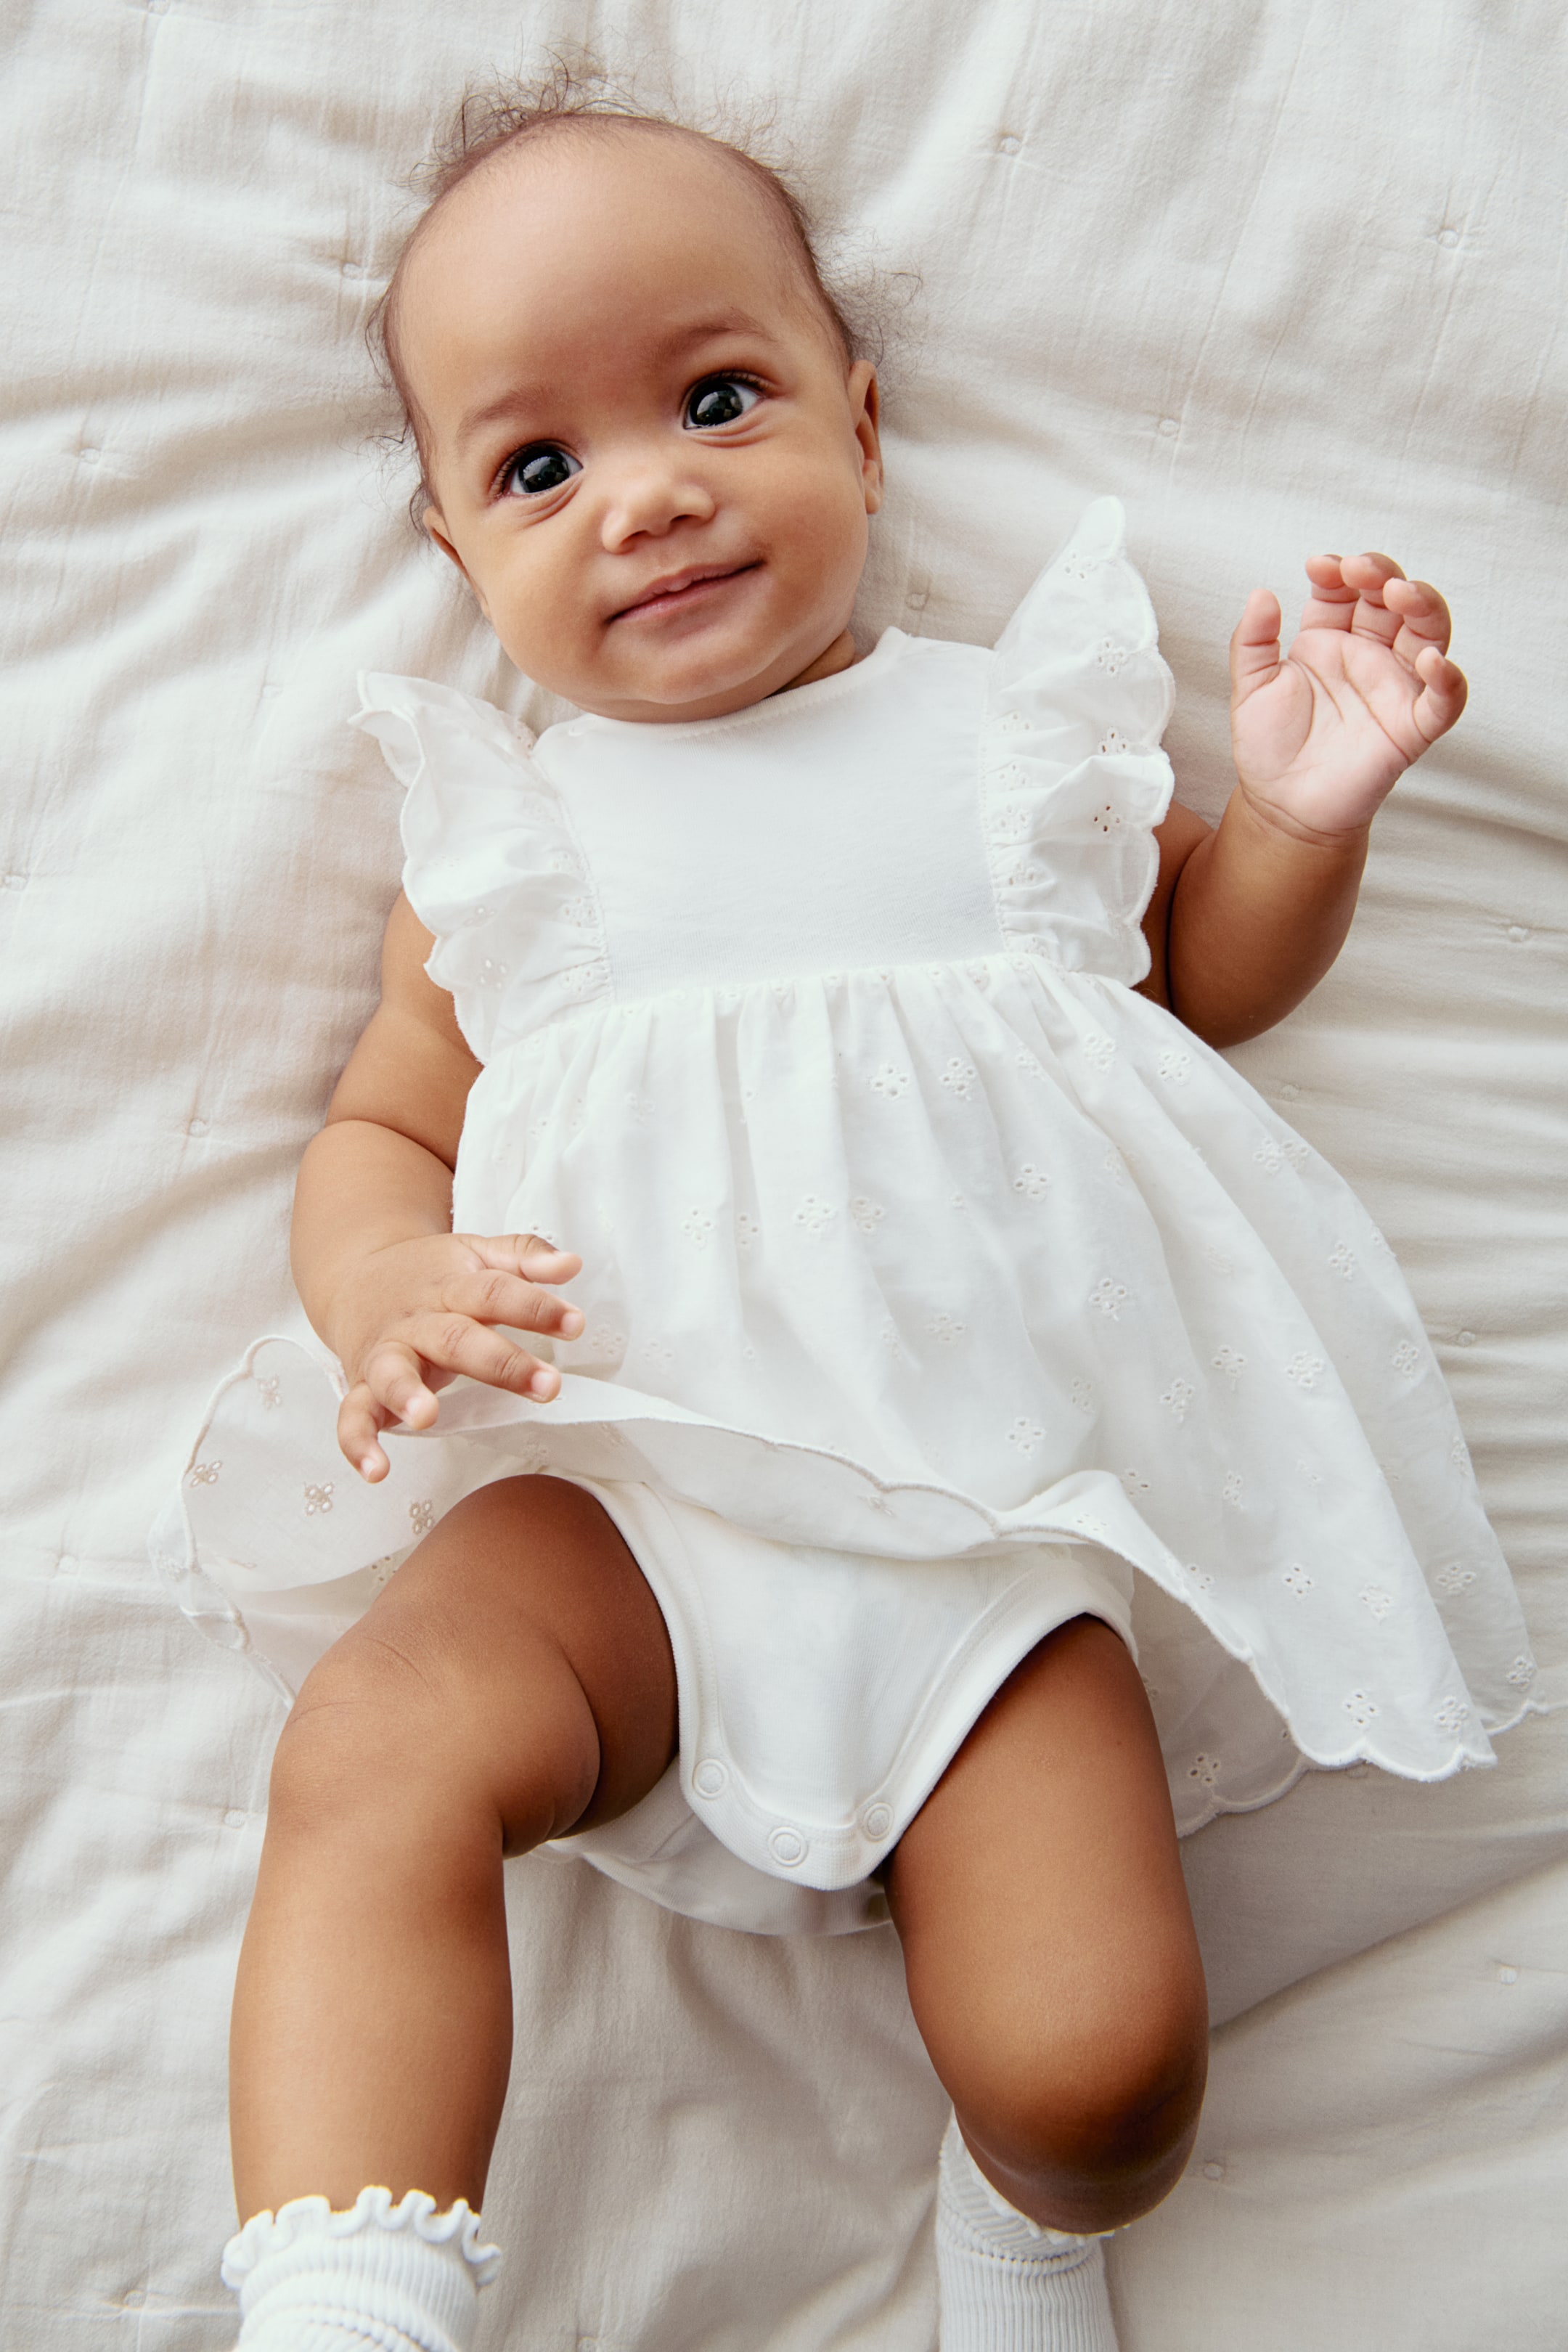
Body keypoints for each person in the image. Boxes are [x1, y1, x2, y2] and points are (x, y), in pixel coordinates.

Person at [183, 84, 1535, 2352]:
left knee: (1105, 2068)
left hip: (990, 1525)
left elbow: (1188, 989)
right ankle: (344, 2296)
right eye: (540, 468)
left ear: (867, 425)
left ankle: (1025, 2221)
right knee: (378, 1748)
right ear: (451, 548)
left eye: (719, 399)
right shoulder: (518, 841)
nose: (655, 493)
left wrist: (1299, 822)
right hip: (615, 1492)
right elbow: (379, 1134)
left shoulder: (1013, 739)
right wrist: (384, 1286)